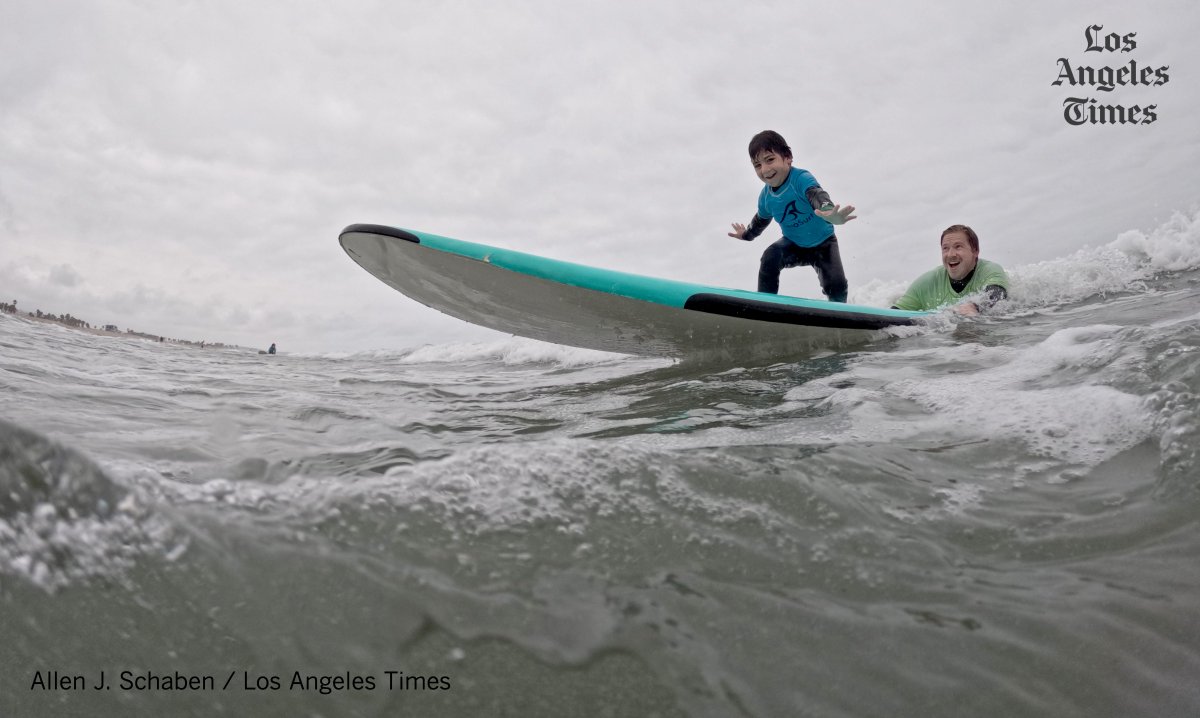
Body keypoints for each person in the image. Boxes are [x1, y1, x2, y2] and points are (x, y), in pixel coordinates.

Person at [728, 130, 857, 300]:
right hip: (794, 245)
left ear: (787, 157)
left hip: (825, 244)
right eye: (757, 165)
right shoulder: (766, 198)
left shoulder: (801, 178)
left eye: (770, 160)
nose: (765, 169)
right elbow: (759, 222)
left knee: (837, 285)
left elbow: (817, 195)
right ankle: (765, 306)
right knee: (770, 256)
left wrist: (828, 213)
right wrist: (746, 235)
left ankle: (840, 315)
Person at [891, 224, 1009, 315]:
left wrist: (975, 306)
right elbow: (893, 315)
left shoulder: (990, 270)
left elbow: (996, 295)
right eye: (945, 248)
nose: (950, 254)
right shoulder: (926, 283)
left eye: (958, 247)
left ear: (975, 251)